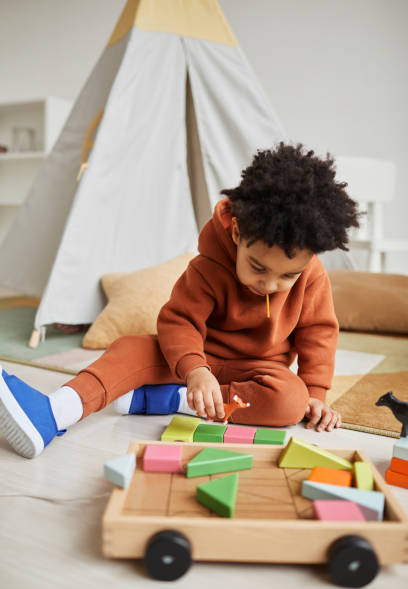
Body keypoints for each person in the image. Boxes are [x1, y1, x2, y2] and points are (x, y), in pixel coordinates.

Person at [0, 143, 360, 459]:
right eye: (257, 267)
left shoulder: (311, 276)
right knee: (129, 349)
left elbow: (318, 333)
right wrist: (195, 370)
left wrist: (315, 393)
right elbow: (179, 321)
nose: (269, 285)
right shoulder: (206, 267)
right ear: (237, 233)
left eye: (287, 276)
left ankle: (170, 401)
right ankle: (53, 412)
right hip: (192, 359)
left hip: (256, 373)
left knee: (290, 401)